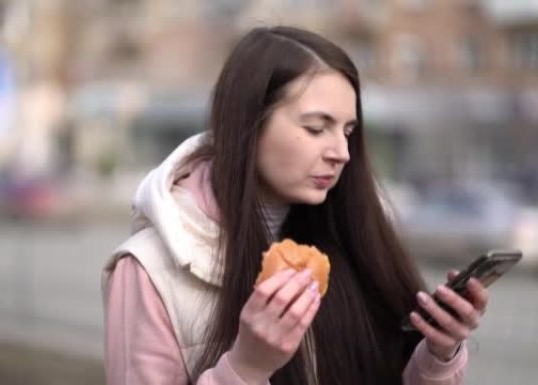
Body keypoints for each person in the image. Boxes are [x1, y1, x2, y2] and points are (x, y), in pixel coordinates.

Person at [102, 26, 489, 385]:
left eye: (348, 132)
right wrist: (244, 368)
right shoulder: (149, 268)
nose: (341, 153)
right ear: (249, 125)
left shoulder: (358, 238)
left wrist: (439, 354)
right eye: (316, 129)